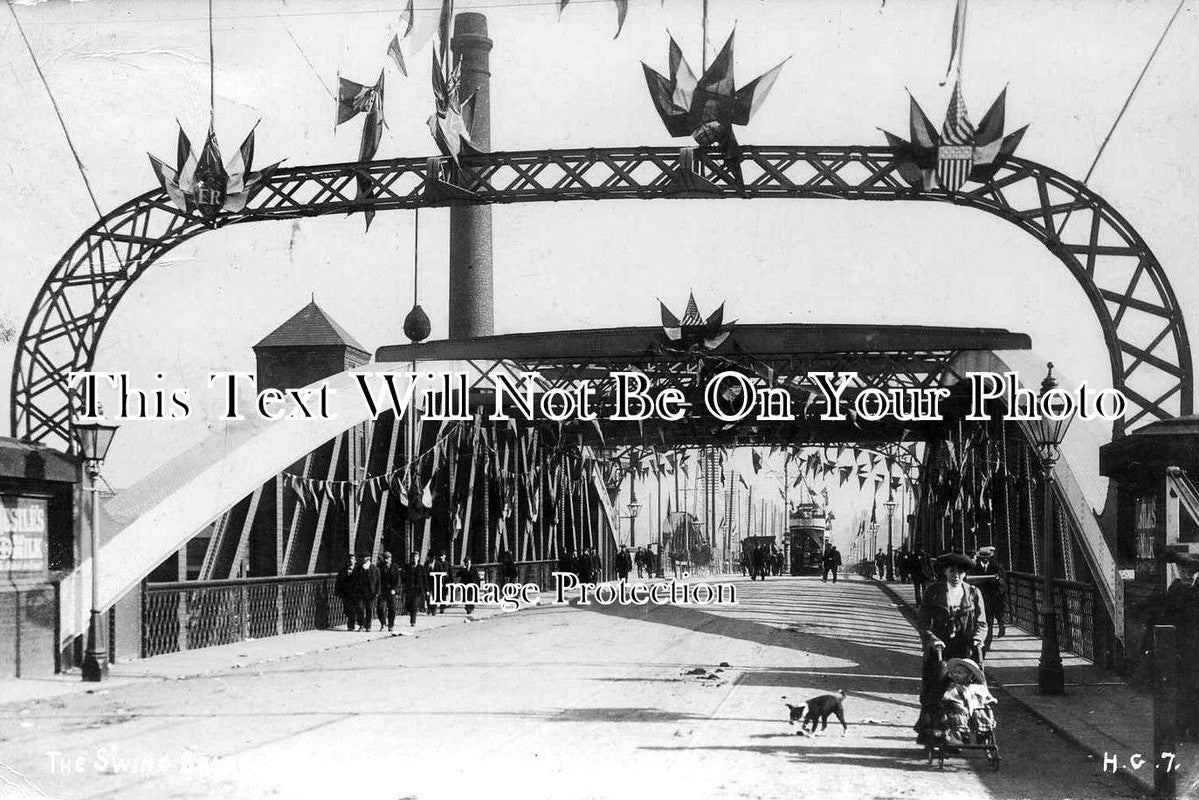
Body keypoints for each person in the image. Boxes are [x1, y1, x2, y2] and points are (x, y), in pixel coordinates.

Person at [914, 552, 987, 745]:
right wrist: (932, 639)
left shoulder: (973, 593)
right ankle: (934, 732)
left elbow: (981, 623)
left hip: (964, 648)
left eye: (960, 572)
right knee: (935, 688)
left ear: (964, 575)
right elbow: (923, 622)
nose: (956, 575)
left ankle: (963, 729)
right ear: (945, 572)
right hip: (939, 648)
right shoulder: (934, 591)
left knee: (967, 688)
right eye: (952, 571)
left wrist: (977, 639)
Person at [1139, 550, 1199, 738]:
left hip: (1194, 646)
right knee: (1182, 688)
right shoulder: (1176, 588)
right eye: (1181, 568)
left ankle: (1194, 728)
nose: (1184, 572)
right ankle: (1182, 728)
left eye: (1188, 568)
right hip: (1181, 647)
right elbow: (1165, 613)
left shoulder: (1192, 589)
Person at [968, 546, 1007, 652]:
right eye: (983, 557)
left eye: (987, 557)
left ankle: (990, 640)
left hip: (993, 598)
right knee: (983, 621)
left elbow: (1003, 584)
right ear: (980, 558)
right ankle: (984, 642)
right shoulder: (974, 569)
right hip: (981, 599)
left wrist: (998, 580)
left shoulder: (997, 567)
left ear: (990, 557)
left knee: (992, 619)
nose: (985, 559)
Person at [352, 554, 380, 632]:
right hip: (360, 592)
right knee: (360, 608)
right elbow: (354, 580)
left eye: (365, 558)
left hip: (371, 592)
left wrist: (377, 592)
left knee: (369, 609)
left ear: (368, 558)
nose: (363, 559)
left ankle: (368, 626)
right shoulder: (358, 569)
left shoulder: (375, 569)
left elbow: (378, 582)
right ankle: (361, 624)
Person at [376, 551, 401, 632]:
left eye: (388, 558)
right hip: (382, 590)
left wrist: (394, 589)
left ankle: (391, 625)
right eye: (385, 559)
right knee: (380, 607)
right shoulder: (379, 567)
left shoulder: (395, 567)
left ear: (391, 559)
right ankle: (383, 622)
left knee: (392, 608)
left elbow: (397, 580)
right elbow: (377, 579)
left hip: (391, 590)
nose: (386, 560)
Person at [400, 551, 426, 627]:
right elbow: (402, 576)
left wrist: (426, 589)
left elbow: (425, 579)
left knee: (414, 604)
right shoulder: (407, 567)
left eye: (416, 557)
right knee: (410, 605)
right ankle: (411, 616)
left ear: (418, 558)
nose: (414, 559)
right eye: (413, 557)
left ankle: (413, 621)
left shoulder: (421, 568)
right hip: (409, 589)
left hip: (417, 590)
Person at [334, 555, 357, 631]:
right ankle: (351, 621)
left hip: (355, 593)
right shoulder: (343, 571)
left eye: (353, 559)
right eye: (350, 559)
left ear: (355, 561)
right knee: (347, 609)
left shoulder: (358, 570)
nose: (351, 561)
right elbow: (339, 581)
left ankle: (351, 624)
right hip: (346, 593)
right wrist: (338, 592)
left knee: (353, 609)